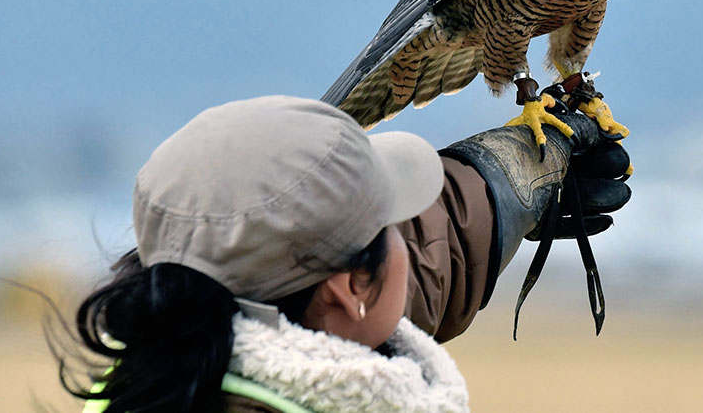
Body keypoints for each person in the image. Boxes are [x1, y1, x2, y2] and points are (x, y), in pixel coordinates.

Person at [64, 95, 631, 412]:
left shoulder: (147, 373)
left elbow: (406, 265)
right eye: (391, 222)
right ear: (353, 286)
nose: (407, 233)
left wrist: (499, 183)